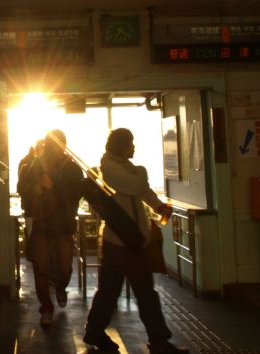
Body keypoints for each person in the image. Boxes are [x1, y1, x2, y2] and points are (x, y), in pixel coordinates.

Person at [84, 128, 188, 354]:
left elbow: (143, 191)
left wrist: (158, 206)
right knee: (129, 292)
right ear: (121, 146)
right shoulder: (112, 169)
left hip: (128, 241)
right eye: (131, 143)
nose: (134, 147)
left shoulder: (125, 169)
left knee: (123, 292)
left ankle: (97, 332)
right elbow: (136, 186)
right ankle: (157, 340)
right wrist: (142, 171)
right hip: (121, 241)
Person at [17, 129, 84, 326]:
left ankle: (60, 287)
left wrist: (52, 188)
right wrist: (34, 188)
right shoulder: (37, 164)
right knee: (41, 268)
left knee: (64, 267)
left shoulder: (71, 167)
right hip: (42, 222)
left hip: (63, 224)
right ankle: (46, 308)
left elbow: (76, 193)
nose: (56, 149)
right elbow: (22, 187)